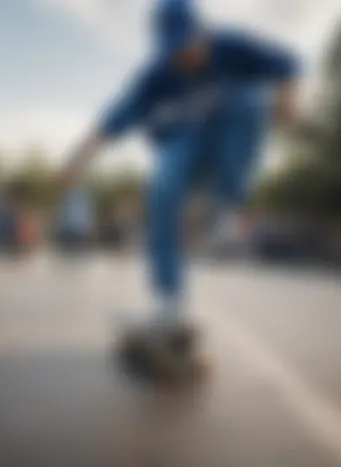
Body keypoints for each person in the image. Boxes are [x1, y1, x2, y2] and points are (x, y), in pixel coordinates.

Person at [62, 0, 300, 336]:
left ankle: (226, 209)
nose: (182, 60)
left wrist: (289, 97)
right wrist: (76, 161)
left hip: (224, 141)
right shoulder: (155, 76)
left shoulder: (232, 45)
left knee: (250, 99)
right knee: (161, 187)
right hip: (182, 144)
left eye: (186, 49)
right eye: (173, 52)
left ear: (202, 34)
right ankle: (168, 302)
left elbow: (287, 62)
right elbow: (111, 121)